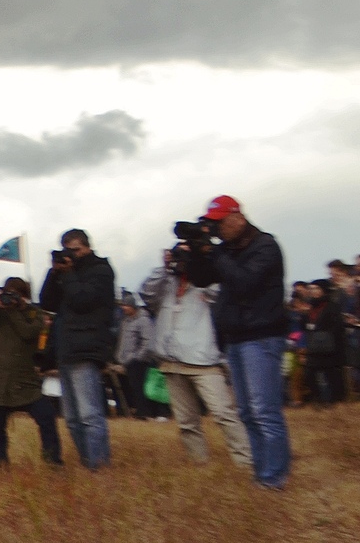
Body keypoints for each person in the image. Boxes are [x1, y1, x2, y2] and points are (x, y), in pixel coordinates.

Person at [180, 197, 289, 490]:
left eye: (219, 222)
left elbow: (244, 282)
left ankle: (274, 478)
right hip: (237, 337)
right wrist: (195, 254)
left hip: (262, 336)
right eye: (212, 223)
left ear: (237, 217)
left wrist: (213, 253)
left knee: (264, 411)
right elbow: (202, 280)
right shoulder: (227, 249)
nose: (216, 229)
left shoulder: (265, 246)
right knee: (247, 413)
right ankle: (262, 474)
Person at [141, 250, 249, 469]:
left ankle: (246, 462)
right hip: (172, 362)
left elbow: (222, 294)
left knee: (223, 413)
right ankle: (199, 463)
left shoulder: (208, 283)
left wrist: (199, 266)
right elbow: (146, 293)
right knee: (186, 421)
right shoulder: (166, 283)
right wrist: (164, 267)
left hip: (204, 361)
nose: (181, 262)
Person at [40, 231, 117, 470]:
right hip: (66, 348)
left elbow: (82, 300)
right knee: (72, 419)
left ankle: (99, 466)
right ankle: (88, 462)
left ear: (87, 248)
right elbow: (47, 303)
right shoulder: (65, 274)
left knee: (89, 414)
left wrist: (70, 274)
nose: (70, 256)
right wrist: (54, 274)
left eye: (74, 250)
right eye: (67, 250)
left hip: (87, 347)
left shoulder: (101, 270)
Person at [0, 277, 61, 466]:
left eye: (15, 294)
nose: (11, 298)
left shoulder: (33, 313)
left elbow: (28, 332)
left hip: (24, 380)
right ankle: (0, 461)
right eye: (8, 293)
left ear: (23, 296)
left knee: (46, 418)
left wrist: (14, 310)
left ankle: (53, 459)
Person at [297, 278, 347, 407]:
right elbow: (303, 327)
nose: (313, 292)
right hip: (314, 347)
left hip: (330, 348)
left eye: (316, 289)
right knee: (309, 374)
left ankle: (334, 401)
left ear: (324, 290)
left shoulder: (332, 307)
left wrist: (325, 336)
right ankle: (319, 400)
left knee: (332, 376)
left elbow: (338, 326)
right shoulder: (309, 308)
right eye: (312, 289)